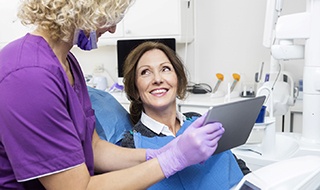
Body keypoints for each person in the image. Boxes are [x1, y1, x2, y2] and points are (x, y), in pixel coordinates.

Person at [0, 0, 226, 189]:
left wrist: (160, 152)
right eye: (110, 15)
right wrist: (172, 160)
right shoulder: (28, 76)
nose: (113, 28)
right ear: (84, 8)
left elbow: (94, 148)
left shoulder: (67, 63)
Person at [121, 41, 249, 189]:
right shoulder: (132, 144)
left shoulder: (198, 120)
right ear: (135, 89)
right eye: (145, 72)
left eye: (165, 69)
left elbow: (234, 164)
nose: (157, 79)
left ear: (178, 79)